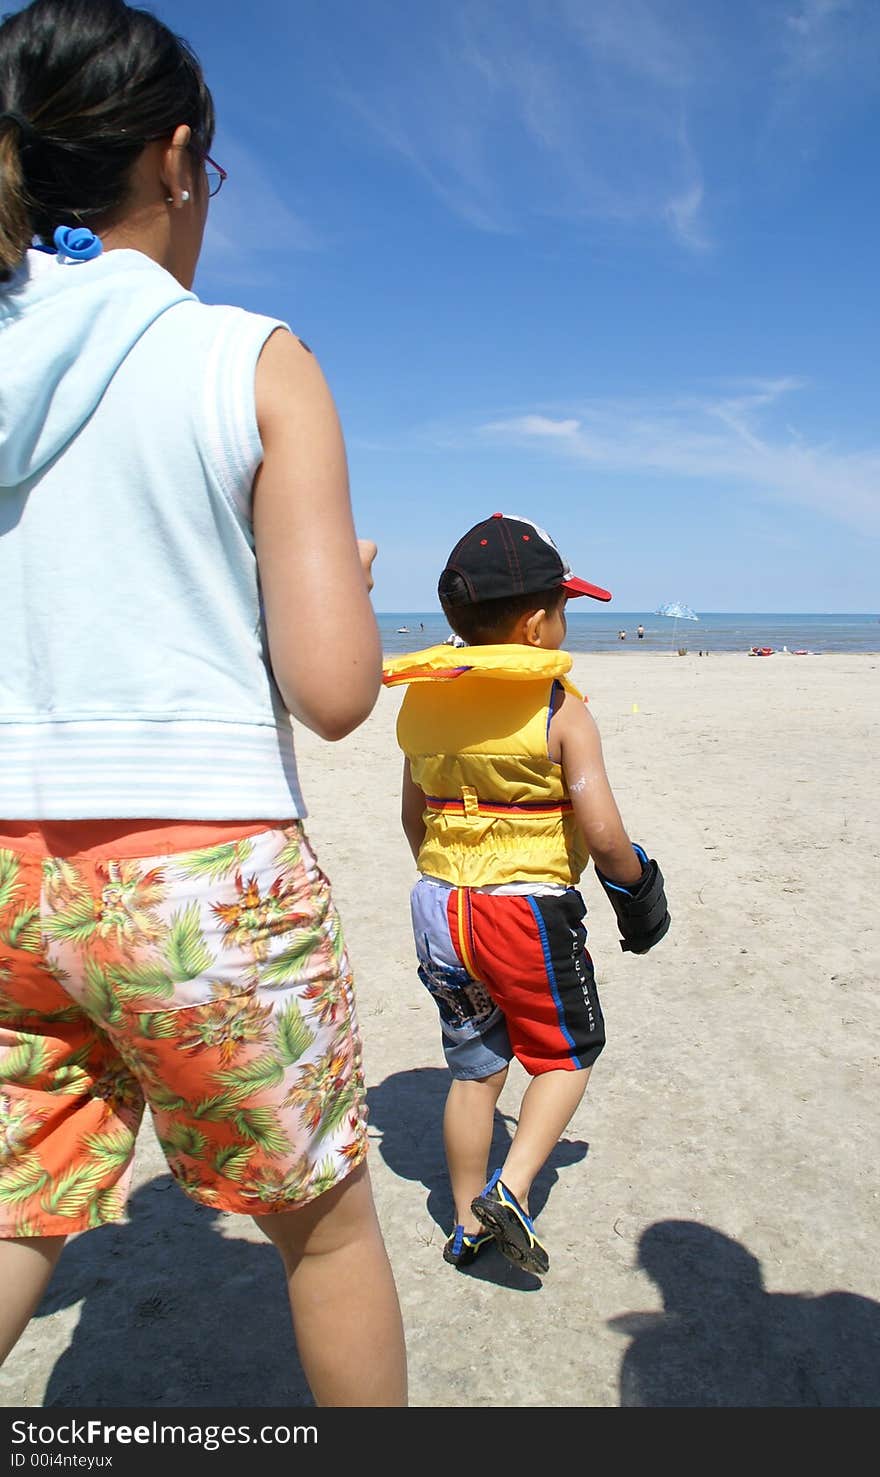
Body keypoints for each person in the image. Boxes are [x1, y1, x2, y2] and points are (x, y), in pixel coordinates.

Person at [0, 0, 406, 1407]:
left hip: (4, 872)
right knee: (327, 1228)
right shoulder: (250, 356)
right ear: (177, 161)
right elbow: (337, 691)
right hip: (198, 876)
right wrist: (328, 584)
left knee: (17, 1202)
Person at [383, 513, 670, 1276]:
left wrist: (451, 881)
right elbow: (604, 833)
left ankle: (464, 1221)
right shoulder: (559, 707)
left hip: (439, 905)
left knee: (476, 1068)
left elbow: (414, 817)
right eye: (566, 609)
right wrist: (638, 891)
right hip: (525, 908)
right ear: (539, 623)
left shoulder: (422, 701)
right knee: (567, 1053)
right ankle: (510, 1192)